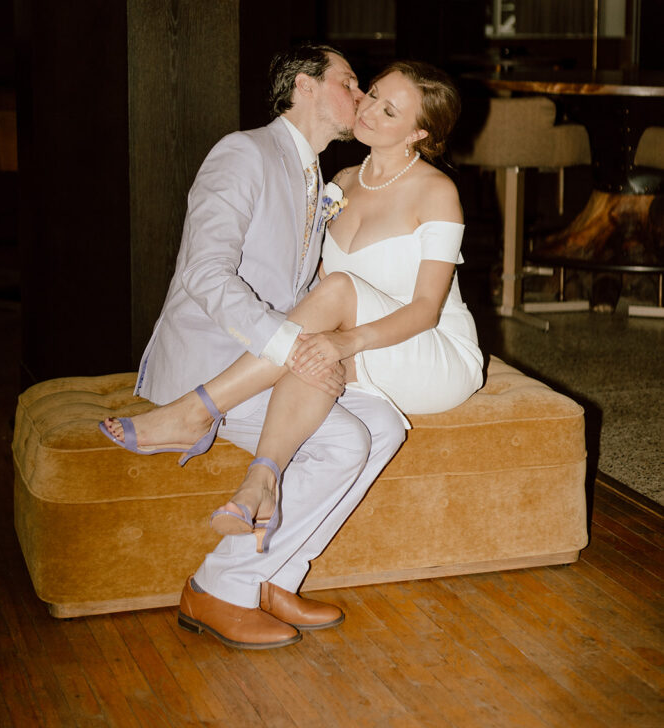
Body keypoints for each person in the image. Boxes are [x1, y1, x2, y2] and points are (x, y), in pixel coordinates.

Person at [102, 58, 483, 648]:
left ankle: (219, 577)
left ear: (419, 135)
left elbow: (422, 309)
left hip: (423, 348)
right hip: (339, 345)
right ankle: (277, 575)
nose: (364, 102)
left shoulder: (437, 191)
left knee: (336, 312)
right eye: (364, 89)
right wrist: (314, 345)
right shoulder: (336, 180)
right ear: (305, 87)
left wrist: (334, 342)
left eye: (385, 105)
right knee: (377, 427)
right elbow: (245, 280)